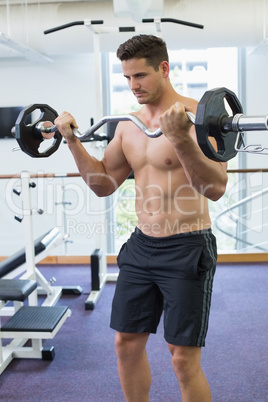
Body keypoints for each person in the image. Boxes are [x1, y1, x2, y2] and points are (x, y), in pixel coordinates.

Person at [55, 34, 228, 402]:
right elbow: (103, 185)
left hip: (187, 246)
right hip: (141, 245)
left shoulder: (199, 117)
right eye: (128, 78)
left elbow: (214, 188)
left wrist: (180, 138)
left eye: (141, 76)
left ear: (164, 69)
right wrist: (73, 142)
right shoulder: (126, 125)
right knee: (125, 345)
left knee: (182, 360)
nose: (134, 86)